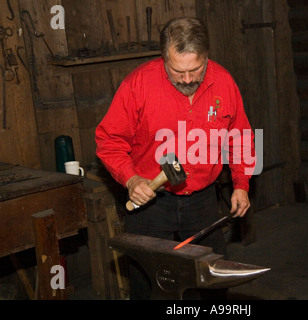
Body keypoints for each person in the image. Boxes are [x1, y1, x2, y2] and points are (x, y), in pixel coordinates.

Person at [95, 17, 257, 299]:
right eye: (177, 71)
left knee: (210, 281)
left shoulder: (224, 83)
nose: (187, 79)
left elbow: (240, 137)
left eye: (195, 69)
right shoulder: (138, 84)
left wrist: (241, 184)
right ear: (163, 58)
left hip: (204, 200)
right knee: (148, 282)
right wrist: (131, 179)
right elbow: (109, 140)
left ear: (206, 56)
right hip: (151, 201)